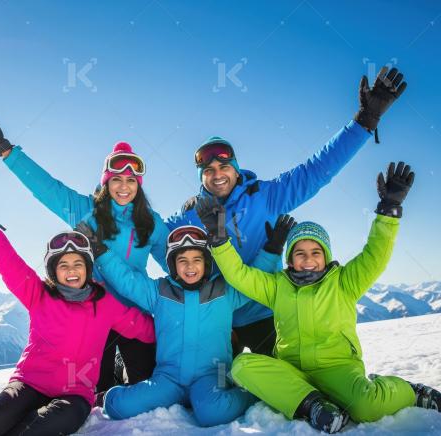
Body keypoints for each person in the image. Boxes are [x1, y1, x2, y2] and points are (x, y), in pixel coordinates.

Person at [166, 67, 409, 358]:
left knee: (280, 389)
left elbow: (316, 171)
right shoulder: (191, 217)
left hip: (267, 315)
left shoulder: (265, 197)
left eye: (224, 167)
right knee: (213, 393)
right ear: (200, 177)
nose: (217, 174)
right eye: (208, 170)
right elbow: (144, 228)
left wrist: (364, 122)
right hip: (218, 320)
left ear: (236, 168)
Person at [198, 162, 441, 433]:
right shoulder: (277, 286)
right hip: (292, 371)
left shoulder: (345, 281)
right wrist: (218, 240)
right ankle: (312, 405)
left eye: (315, 252)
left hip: (339, 370)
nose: (308, 259)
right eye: (300, 253)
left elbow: (375, 255)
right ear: (291, 259)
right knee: (242, 365)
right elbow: (239, 275)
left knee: (367, 408)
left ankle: (411, 393)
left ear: (326, 256)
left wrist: (388, 210)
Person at [0, 184, 155, 436]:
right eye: (64, 265)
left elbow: (143, 328)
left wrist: (181, 324)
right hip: (30, 384)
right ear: (54, 271)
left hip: (75, 395)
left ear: (87, 268)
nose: (72, 270)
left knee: (42, 428)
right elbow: (10, 264)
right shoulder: (39, 294)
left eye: (78, 263)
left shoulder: (104, 302)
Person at [0, 108, 167, 396]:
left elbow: (175, 264)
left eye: (130, 181)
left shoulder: (151, 223)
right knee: (98, 394)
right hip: (95, 316)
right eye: (116, 180)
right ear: (106, 182)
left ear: (138, 185)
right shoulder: (86, 211)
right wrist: (6, 151)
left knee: (145, 388)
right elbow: (47, 188)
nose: (123, 187)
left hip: (134, 315)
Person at [77, 222, 280, 427]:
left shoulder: (225, 291)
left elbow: (251, 279)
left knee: (212, 413)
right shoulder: (159, 292)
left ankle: (252, 393)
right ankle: (106, 394)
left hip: (214, 373)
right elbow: (126, 280)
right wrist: (100, 250)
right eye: (182, 260)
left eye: (197, 259)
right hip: (169, 378)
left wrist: (272, 250)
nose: (190, 266)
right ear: (173, 265)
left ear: (207, 263)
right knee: (117, 407)